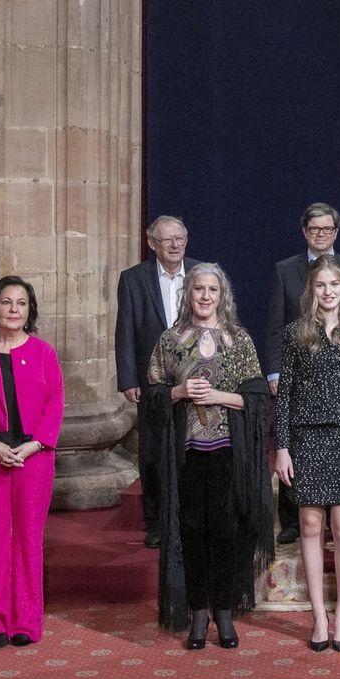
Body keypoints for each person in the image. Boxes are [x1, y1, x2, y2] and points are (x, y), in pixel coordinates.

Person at [143, 263, 273, 650]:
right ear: (188, 294)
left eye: (212, 289)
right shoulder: (171, 340)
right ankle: (198, 611)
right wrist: (179, 393)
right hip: (185, 456)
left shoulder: (238, 339)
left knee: (226, 532)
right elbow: (152, 397)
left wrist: (218, 397)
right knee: (192, 533)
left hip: (228, 454)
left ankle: (226, 613)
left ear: (222, 295)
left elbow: (258, 398)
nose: (204, 296)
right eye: (198, 289)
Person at [274, 255, 340, 653]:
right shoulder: (295, 334)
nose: (327, 291)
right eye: (320, 285)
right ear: (311, 290)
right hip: (307, 440)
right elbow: (284, 395)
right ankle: (319, 617)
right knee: (310, 528)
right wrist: (282, 447)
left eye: (334, 284)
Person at [0, 276, 65, 648]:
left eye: (21, 304)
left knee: (27, 539)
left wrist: (35, 445)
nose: (14, 310)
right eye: (7, 303)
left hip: (33, 459)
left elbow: (55, 404)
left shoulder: (44, 352)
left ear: (29, 311)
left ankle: (25, 622)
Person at [264, 202, 340, 545]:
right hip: (298, 374)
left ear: (336, 233)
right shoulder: (285, 269)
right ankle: (292, 520)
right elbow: (275, 327)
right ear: (304, 232)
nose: (321, 235)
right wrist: (274, 373)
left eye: (327, 229)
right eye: (314, 229)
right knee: (292, 448)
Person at [115, 215, 198, 549]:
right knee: (153, 450)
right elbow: (125, 331)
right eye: (168, 240)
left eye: (180, 238)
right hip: (152, 379)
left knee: (190, 448)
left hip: (195, 375)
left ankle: (188, 519)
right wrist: (127, 377)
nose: (176, 245)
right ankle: (157, 522)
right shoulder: (134, 279)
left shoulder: (201, 272)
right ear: (152, 244)